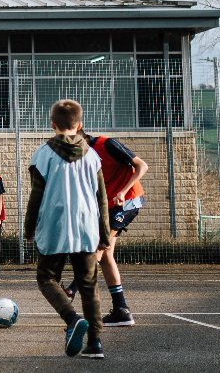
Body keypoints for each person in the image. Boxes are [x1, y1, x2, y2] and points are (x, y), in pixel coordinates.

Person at [25, 99, 111, 359]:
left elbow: (36, 196)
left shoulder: (42, 154)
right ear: (79, 125)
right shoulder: (93, 156)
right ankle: (95, 343)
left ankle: (72, 319)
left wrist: (29, 228)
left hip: (54, 225)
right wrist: (105, 234)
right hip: (86, 226)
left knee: (47, 278)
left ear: (53, 125)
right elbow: (102, 198)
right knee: (88, 284)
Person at [67, 130, 148, 327]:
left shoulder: (108, 145)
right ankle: (121, 310)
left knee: (99, 248)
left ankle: (71, 289)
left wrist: (123, 190)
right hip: (109, 207)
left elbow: (141, 166)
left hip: (129, 201)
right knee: (106, 256)